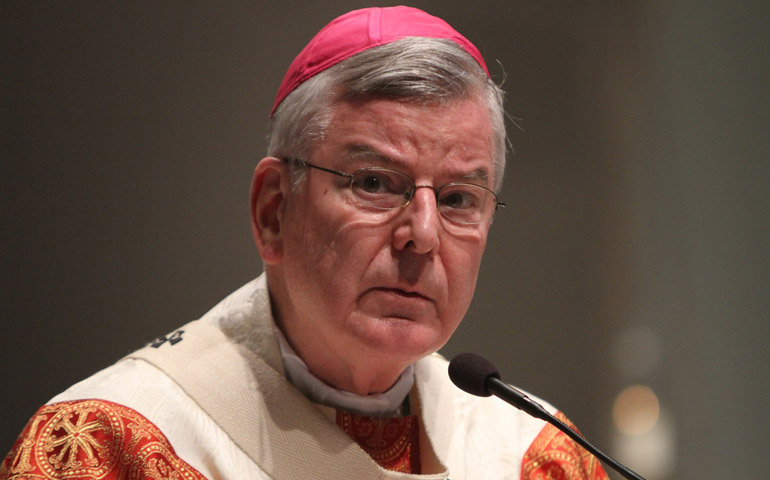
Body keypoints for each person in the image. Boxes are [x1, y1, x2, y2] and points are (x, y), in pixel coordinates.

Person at [2, 6, 608, 480]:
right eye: (373, 183)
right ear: (273, 211)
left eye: (456, 199)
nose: (423, 235)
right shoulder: (108, 446)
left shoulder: (534, 457)